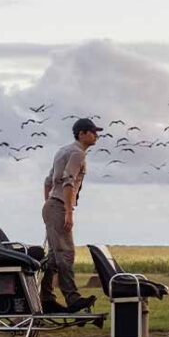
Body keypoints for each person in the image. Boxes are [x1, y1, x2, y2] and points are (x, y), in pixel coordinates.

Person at [40, 117, 101, 313]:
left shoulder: (62, 151)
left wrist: (49, 204)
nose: (96, 135)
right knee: (66, 253)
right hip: (58, 206)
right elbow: (68, 181)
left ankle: (46, 298)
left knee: (54, 256)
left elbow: (48, 181)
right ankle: (72, 298)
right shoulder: (77, 153)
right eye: (92, 131)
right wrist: (67, 211)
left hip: (52, 204)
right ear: (81, 134)